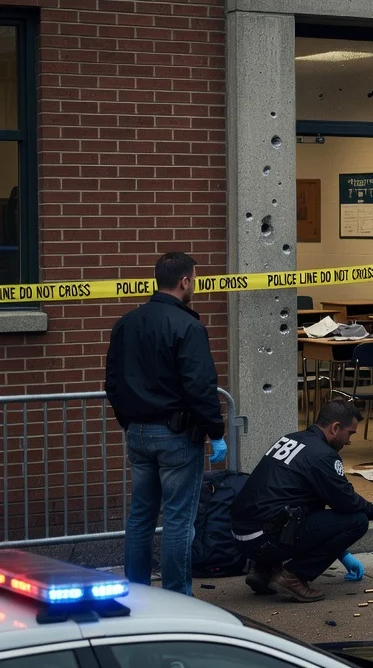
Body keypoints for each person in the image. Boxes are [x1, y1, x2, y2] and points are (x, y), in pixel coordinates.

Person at [105, 251, 227, 596]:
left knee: (141, 516)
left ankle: (137, 592)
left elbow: (112, 381)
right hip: (176, 437)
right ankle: (176, 598)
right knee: (178, 520)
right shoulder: (188, 326)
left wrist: (128, 419)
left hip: (138, 433)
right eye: (194, 281)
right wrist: (216, 432)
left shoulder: (127, 322)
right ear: (185, 281)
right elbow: (200, 386)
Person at [232, 400, 373, 603]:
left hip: (242, 535)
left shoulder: (291, 439)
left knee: (292, 513)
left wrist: (341, 554)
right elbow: (346, 502)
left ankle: (264, 569)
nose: (349, 441)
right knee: (358, 520)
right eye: (350, 433)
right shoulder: (323, 455)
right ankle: (293, 577)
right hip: (265, 537)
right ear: (335, 428)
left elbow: (316, 519)